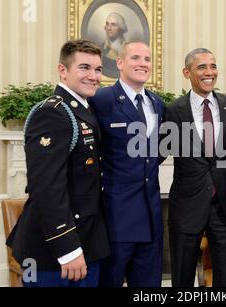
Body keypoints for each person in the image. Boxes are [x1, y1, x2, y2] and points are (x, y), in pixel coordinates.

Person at [6, 39, 110, 287]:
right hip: (54, 252)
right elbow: (46, 188)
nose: (94, 76)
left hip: (86, 241)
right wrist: (68, 249)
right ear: (62, 71)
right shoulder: (52, 113)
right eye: (84, 68)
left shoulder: (85, 110)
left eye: (98, 69)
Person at [91, 40, 165, 287]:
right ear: (120, 63)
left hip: (152, 215)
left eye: (147, 59)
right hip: (117, 215)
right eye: (136, 58)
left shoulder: (157, 104)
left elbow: (155, 153)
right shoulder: (102, 99)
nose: (143, 64)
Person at [164, 48, 226, 287]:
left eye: (213, 66)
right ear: (187, 73)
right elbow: (159, 150)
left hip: (224, 206)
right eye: (202, 67)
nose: (210, 72)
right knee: (182, 277)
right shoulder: (173, 110)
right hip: (186, 206)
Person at [100, 12, 128, 78]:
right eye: (107, 24)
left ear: (121, 28)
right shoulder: (100, 49)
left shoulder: (129, 48)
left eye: (113, 24)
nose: (109, 28)